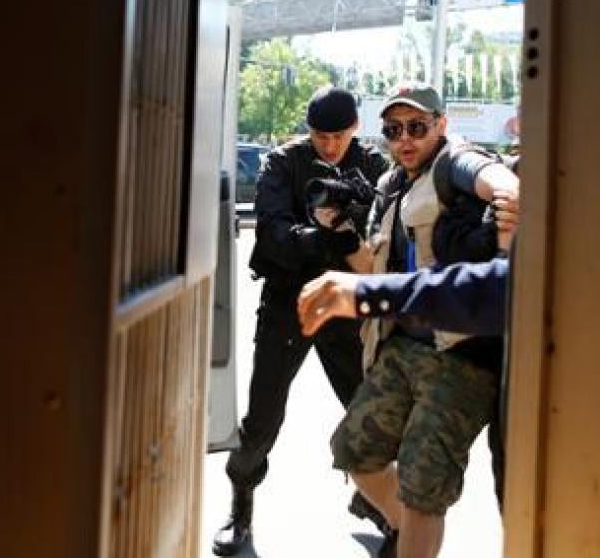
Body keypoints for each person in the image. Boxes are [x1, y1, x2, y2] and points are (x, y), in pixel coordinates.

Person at [328, 82, 519, 558]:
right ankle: (407, 535)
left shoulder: (454, 162)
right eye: (393, 130)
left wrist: (509, 196)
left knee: (423, 486)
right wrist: (339, 230)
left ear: (441, 125)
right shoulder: (393, 185)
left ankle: (413, 541)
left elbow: (489, 174)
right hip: (403, 346)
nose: (405, 139)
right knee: (352, 451)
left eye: (417, 127)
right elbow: (374, 274)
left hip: (459, 357)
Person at [212, 85, 390, 556]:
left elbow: (386, 235)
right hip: (287, 303)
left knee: (369, 412)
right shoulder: (283, 162)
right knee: (263, 419)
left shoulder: (372, 166)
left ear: (354, 128)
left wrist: (348, 226)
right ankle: (240, 507)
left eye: (338, 135)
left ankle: (372, 498)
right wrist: (328, 235)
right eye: (319, 135)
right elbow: (273, 234)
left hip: (347, 306)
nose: (329, 145)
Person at [297, 258, 510, 339]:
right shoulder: (389, 189)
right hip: (394, 339)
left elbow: (499, 288)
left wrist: (368, 293)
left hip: (455, 354)